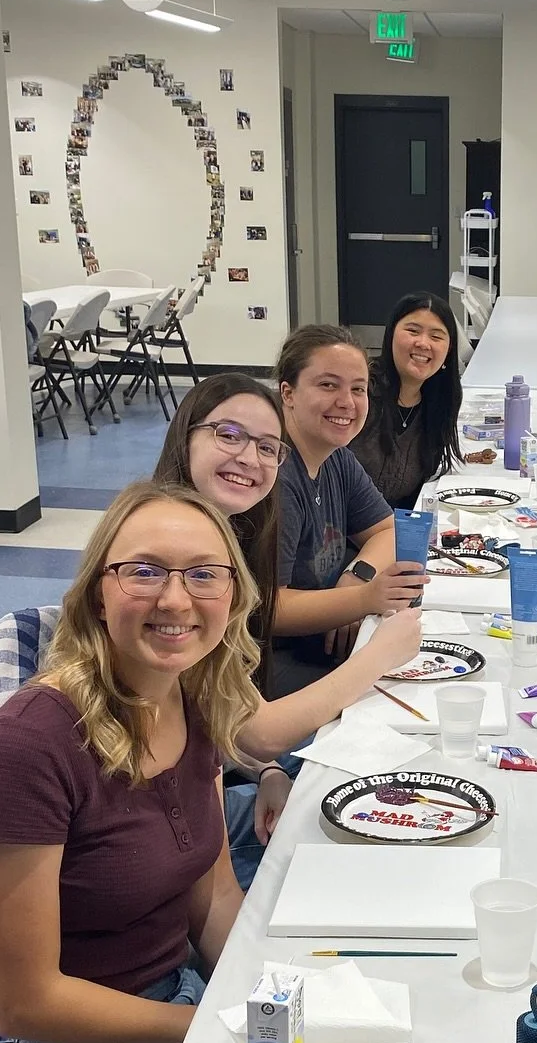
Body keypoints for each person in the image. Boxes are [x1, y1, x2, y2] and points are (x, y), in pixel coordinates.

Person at [0, 484, 259, 1043]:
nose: (177, 601)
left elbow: (211, 890)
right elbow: (25, 1003)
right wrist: (214, 1024)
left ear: (233, 596)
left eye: (204, 573)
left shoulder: (188, 691)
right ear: (96, 593)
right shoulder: (26, 750)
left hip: (166, 1001)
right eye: (145, 571)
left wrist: (260, 994)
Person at [153, 374, 422, 879]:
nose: (250, 459)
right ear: (186, 435)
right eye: (228, 435)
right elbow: (260, 730)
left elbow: (211, 707)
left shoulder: (225, 541)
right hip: (146, 824)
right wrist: (380, 654)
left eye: (267, 448)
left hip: (205, 776)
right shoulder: (178, 555)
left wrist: (267, 771)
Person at [271, 326, 423, 695]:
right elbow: (269, 610)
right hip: (274, 665)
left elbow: (388, 530)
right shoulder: (275, 479)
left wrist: (359, 574)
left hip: (324, 646)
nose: (347, 402)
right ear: (288, 393)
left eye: (358, 389)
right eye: (328, 385)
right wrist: (360, 601)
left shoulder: (336, 458)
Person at [350, 292, 464, 509]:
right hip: (340, 533)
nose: (423, 343)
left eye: (436, 336)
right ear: (391, 334)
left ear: (449, 349)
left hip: (391, 531)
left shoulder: (438, 402)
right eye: (413, 331)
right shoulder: (360, 391)